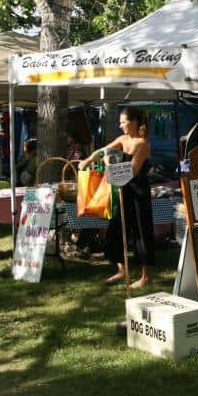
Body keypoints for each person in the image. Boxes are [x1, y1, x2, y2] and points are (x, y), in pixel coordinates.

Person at [78, 106, 155, 288]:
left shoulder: (143, 144)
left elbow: (133, 171)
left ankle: (146, 276)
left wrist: (109, 164)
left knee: (141, 231)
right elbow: (103, 150)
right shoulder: (123, 139)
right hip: (122, 190)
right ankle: (122, 270)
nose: (120, 126)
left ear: (134, 122)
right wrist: (89, 160)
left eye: (123, 122)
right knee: (116, 228)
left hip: (138, 192)